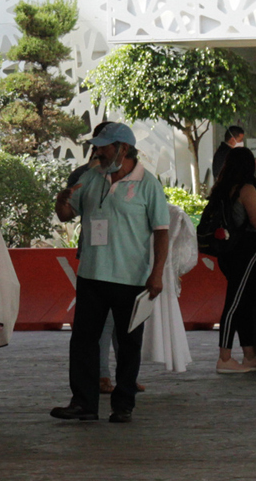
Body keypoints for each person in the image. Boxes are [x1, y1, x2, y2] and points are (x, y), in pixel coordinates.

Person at [50, 123, 170, 423]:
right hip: (92, 273)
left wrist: (157, 274)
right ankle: (84, 403)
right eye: (98, 146)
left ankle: (123, 404)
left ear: (123, 149)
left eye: (104, 146)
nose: (98, 151)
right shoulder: (92, 177)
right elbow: (67, 214)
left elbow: (162, 233)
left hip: (132, 277)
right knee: (83, 341)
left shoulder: (148, 184)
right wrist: (61, 201)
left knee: (129, 343)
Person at [206, 147, 256, 374]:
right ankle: (224, 357)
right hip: (246, 251)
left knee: (242, 301)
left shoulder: (223, 188)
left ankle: (249, 353)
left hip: (227, 251)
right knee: (235, 303)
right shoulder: (246, 189)